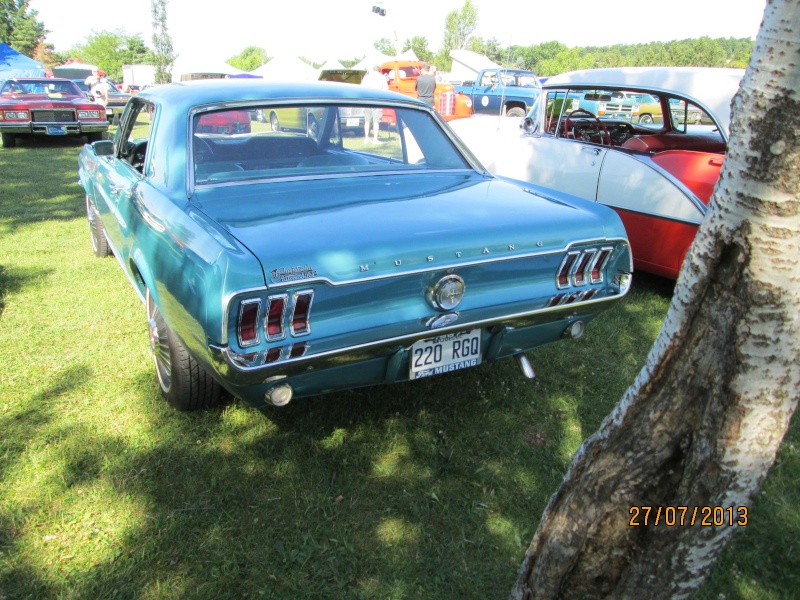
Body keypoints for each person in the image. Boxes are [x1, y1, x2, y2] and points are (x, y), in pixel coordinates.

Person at [360, 65, 388, 144]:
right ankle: (375, 139)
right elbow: (385, 89)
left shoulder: (367, 77)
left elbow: (361, 87)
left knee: (367, 120)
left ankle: (366, 138)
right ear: (379, 70)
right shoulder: (382, 77)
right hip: (377, 100)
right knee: (376, 121)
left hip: (367, 100)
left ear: (373, 69)